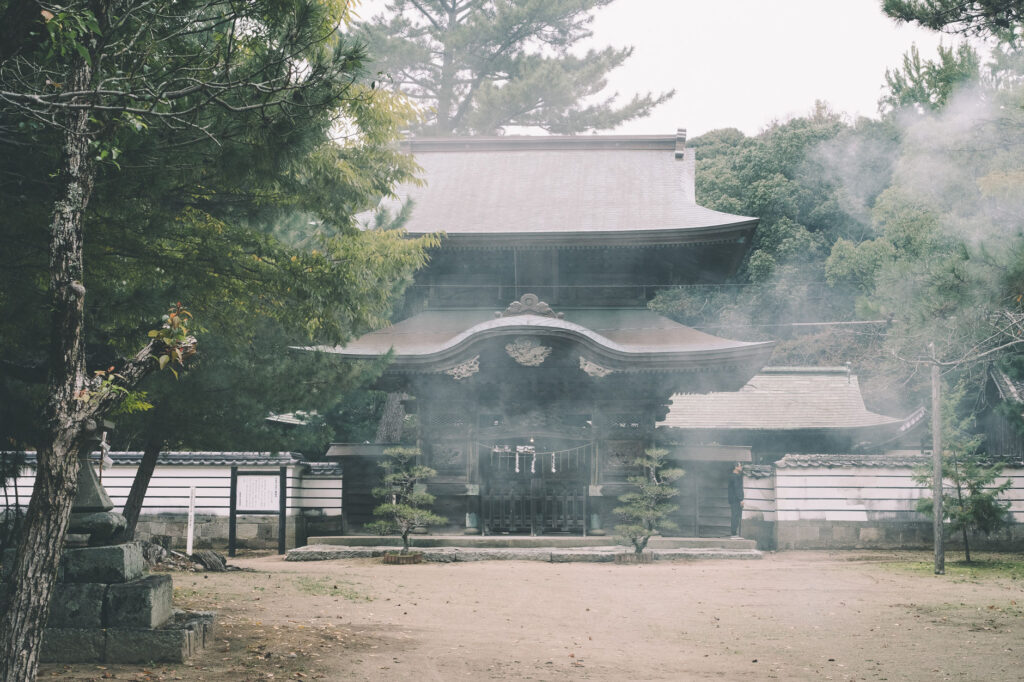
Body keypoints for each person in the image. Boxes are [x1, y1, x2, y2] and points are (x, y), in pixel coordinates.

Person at [727, 462, 744, 538]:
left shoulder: (734, 476)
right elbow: (737, 488)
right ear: (735, 467)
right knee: (735, 515)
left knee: (735, 515)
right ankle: (734, 533)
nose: (741, 467)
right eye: (740, 466)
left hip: (734, 499)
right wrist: (741, 499)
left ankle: (734, 533)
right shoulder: (734, 477)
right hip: (735, 499)